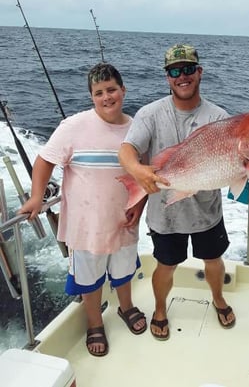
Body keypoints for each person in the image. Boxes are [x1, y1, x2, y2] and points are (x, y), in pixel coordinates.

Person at [19, 62, 147, 356]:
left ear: (123, 90)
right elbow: (44, 161)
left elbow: (144, 176)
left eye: (112, 89)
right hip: (86, 226)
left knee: (124, 271)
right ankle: (95, 324)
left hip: (124, 222)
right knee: (90, 279)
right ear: (92, 96)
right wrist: (38, 196)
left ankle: (126, 308)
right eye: (99, 92)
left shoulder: (137, 130)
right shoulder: (73, 126)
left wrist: (139, 207)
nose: (107, 97)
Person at [118, 44, 236, 341]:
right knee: (166, 264)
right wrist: (139, 172)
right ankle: (160, 309)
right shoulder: (149, 114)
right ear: (167, 77)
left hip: (207, 211)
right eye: (174, 71)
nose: (181, 76)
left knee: (213, 260)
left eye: (187, 69)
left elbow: (231, 164)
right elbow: (127, 150)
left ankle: (218, 300)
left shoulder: (219, 117)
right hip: (165, 213)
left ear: (199, 72)